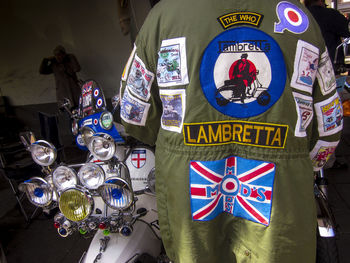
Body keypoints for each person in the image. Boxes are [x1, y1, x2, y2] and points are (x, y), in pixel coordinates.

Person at [119, 0, 343, 262]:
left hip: (190, 193)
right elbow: (328, 128)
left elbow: (133, 114)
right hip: (280, 197)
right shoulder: (300, 20)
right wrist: (307, 162)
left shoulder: (163, 16)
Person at [304, 0, 350, 71]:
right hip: (330, 64)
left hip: (306, 65)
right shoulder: (331, 14)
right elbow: (347, 31)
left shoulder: (301, 15)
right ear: (320, 1)